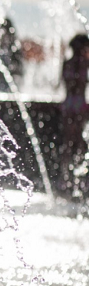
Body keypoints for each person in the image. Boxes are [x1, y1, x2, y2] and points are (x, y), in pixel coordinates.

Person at [59, 33, 89, 195]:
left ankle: (66, 179)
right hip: (79, 106)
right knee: (79, 143)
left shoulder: (67, 63)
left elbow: (61, 83)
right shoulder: (84, 64)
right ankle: (77, 180)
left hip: (68, 105)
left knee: (69, 143)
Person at [0, 17, 24, 92]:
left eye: (6, 35)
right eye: (1, 35)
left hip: (9, 95)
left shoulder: (14, 55)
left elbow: (19, 76)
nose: (4, 38)